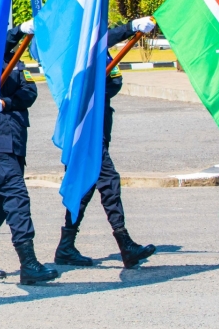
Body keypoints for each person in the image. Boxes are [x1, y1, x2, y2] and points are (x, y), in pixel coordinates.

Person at [29, 15, 159, 270]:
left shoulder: (93, 49)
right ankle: (125, 244)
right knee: (109, 180)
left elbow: (111, 78)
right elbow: (98, 42)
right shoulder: (73, 48)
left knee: (87, 185)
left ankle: (66, 245)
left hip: (97, 124)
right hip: (84, 128)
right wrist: (130, 27)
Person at [0, 25, 59, 285]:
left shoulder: (15, 61)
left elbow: (30, 92)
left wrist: (6, 102)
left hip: (15, 140)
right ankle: (28, 263)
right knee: (17, 198)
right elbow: (1, 45)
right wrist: (18, 31)